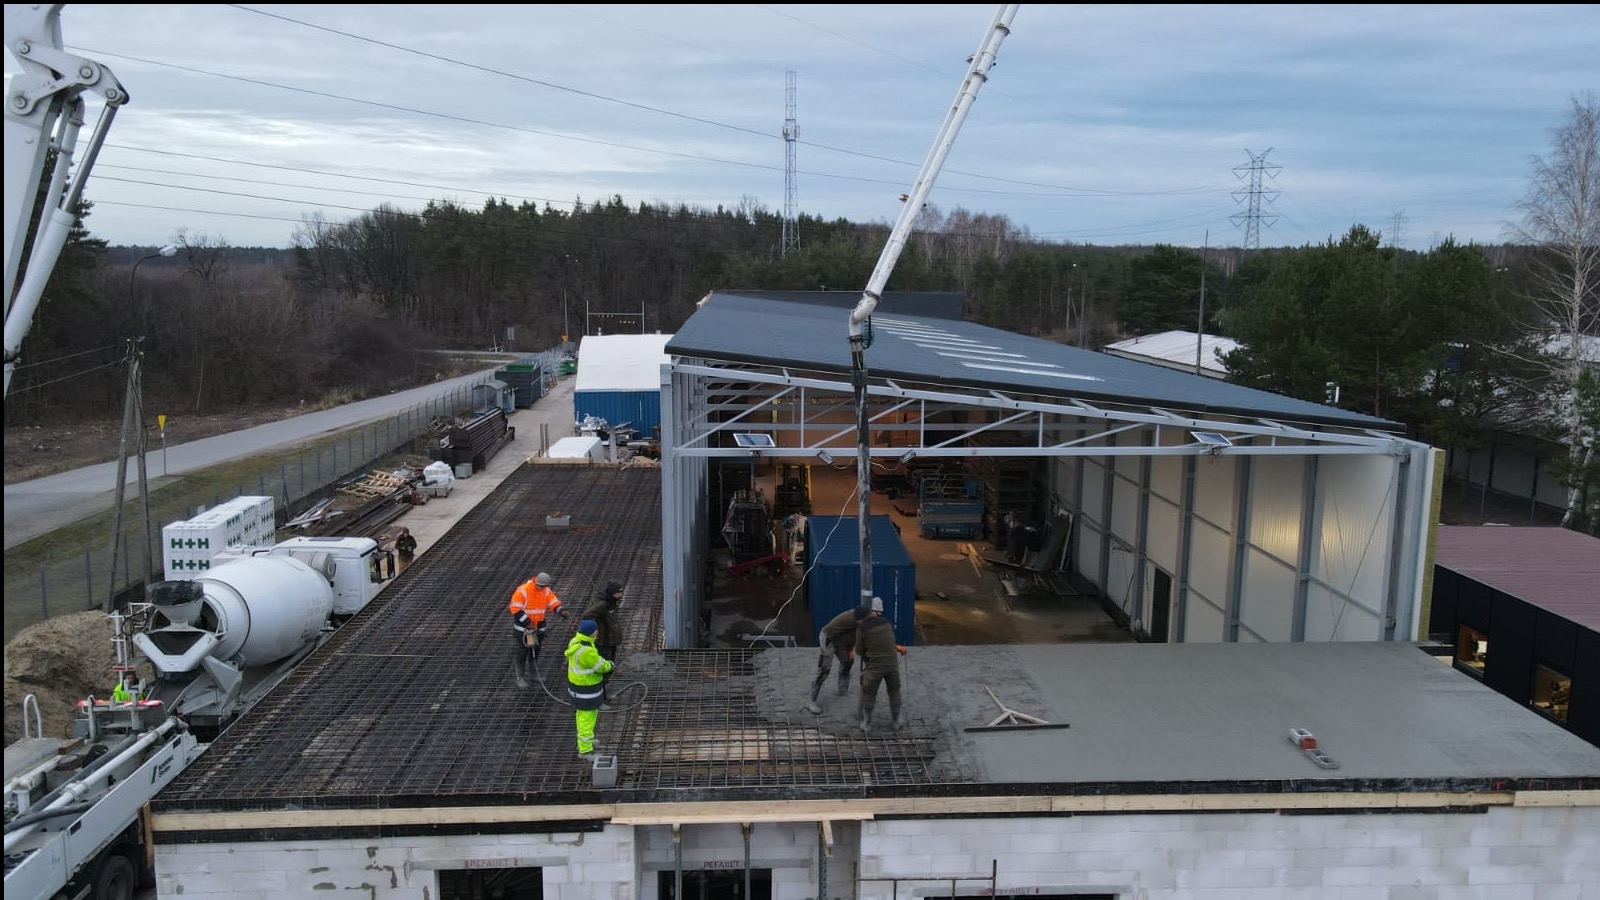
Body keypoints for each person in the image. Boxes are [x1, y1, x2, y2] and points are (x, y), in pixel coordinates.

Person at [854, 596, 908, 733]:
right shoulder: (886, 623)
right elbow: (888, 643)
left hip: (875, 667)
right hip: (892, 664)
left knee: (869, 694)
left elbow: (859, 651)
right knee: (894, 692)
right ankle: (896, 721)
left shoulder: (862, 629)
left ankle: (866, 723)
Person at [803, 603, 869, 715]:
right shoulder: (851, 617)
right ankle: (811, 701)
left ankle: (842, 690)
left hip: (841, 641)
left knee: (848, 662)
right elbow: (829, 633)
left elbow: (853, 636)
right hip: (828, 638)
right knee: (824, 669)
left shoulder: (863, 620)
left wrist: (851, 649)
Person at [508, 572, 569, 688]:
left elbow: (553, 603)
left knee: (535, 651)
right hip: (524, 630)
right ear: (535, 582)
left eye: (543, 586)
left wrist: (561, 611)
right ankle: (520, 677)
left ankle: (533, 674)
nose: (540, 588)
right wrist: (527, 621)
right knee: (522, 652)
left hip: (538, 629)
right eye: (539, 586)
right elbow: (514, 608)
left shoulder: (546, 591)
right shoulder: (523, 590)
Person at [565, 619, 613, 761]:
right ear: (592, 632)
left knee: (583, 717)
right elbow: (601, 666)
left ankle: (587, 741)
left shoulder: (575, 642)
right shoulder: (587, 651)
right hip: (587, 690)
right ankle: (585, 751)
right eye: (596, 630)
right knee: (587, 719)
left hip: (577, 688)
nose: (597, 632)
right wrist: (609, 665)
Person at [581, 582, 625, 706]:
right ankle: (600, 700)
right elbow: (587, 615)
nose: (620, 595)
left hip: (612, 642)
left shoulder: (612, 603)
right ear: (612, 593)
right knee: (602, 671)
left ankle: (604, 695)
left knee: (609, 669)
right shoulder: (603, 605)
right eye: (618, 593)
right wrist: (596, 630)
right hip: (604, 643)